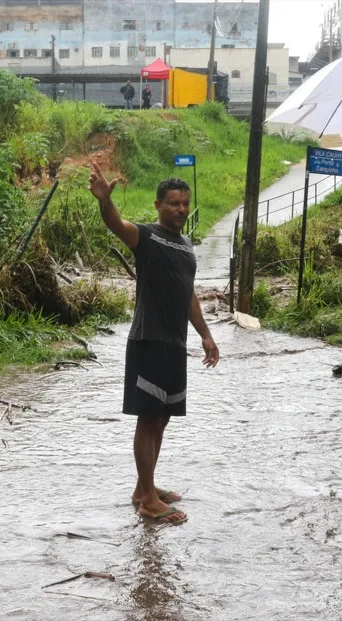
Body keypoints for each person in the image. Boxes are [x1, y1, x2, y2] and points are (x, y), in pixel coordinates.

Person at [87, 161, 219, 525]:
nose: (180, 209)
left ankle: (143, 487)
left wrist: (205, 335)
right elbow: (117, 225)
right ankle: (147, 500)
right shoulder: (146, 236)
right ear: (158, 204)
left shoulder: (186, 246)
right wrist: (104, 202)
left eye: (184, 203)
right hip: (149, 340)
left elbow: (188, 294)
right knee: (149, 419)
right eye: (173, 203)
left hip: (174, 344)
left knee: (161, 418)